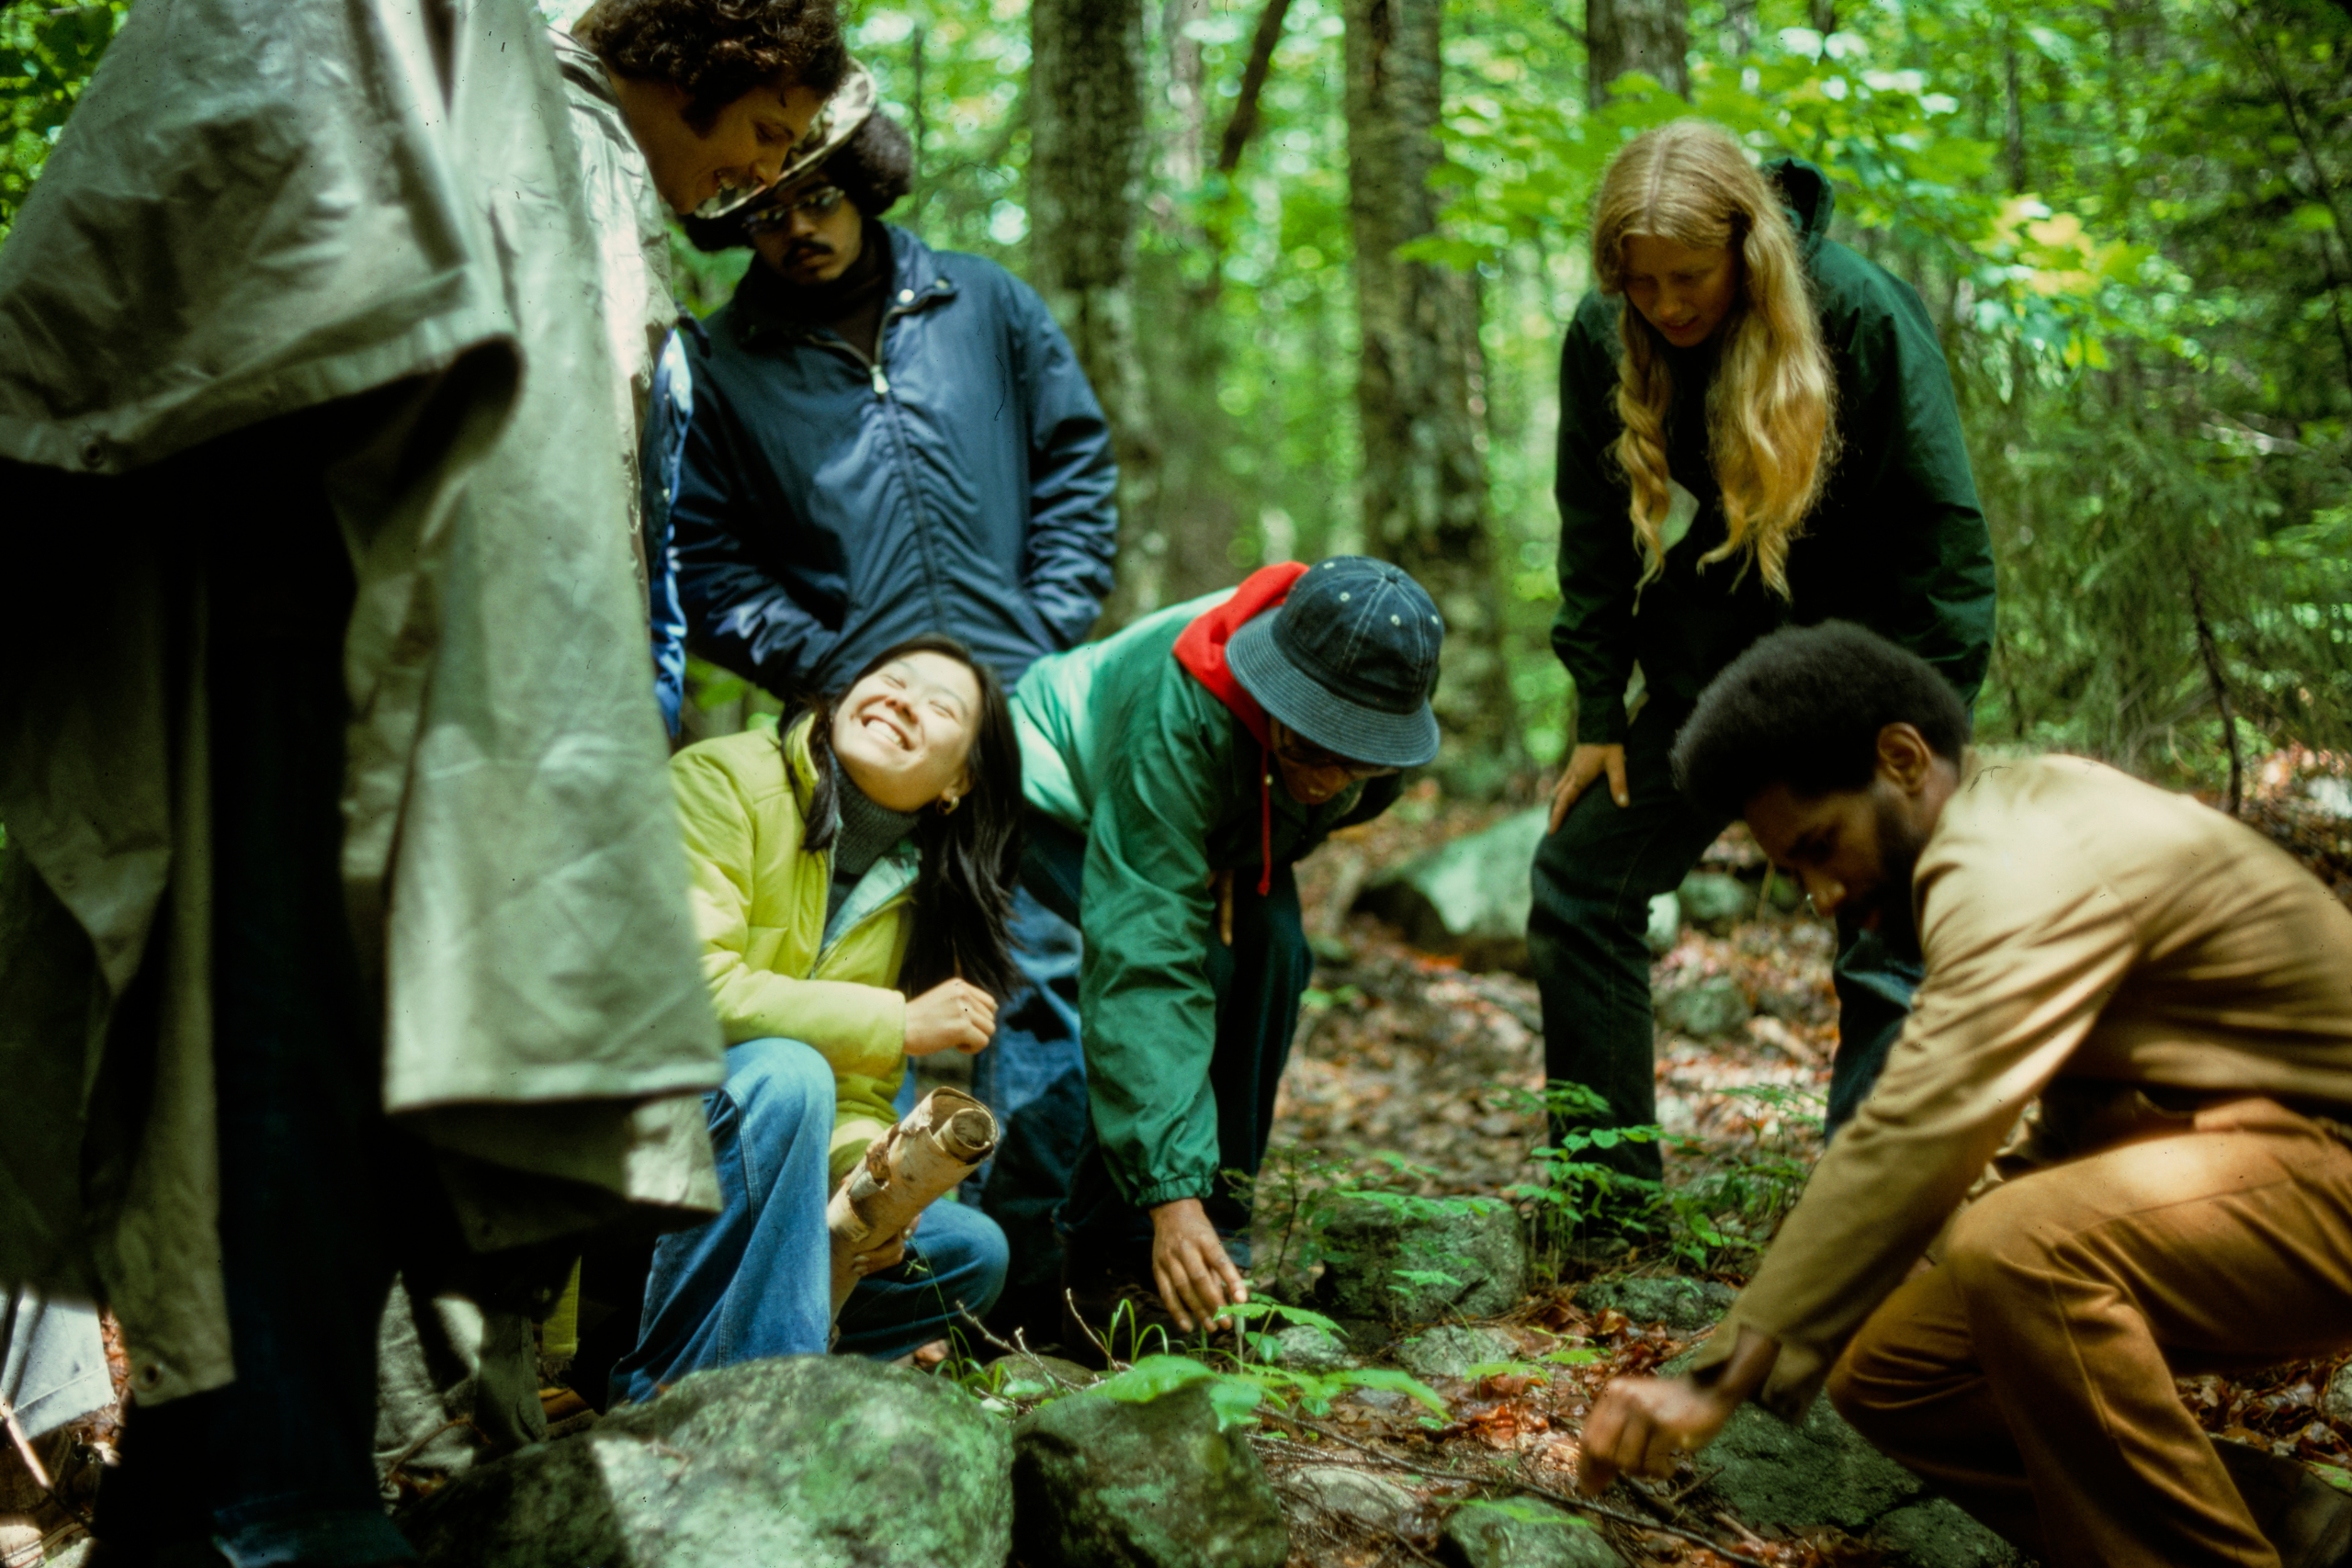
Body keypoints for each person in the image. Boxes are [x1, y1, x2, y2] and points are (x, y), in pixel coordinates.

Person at [0, 0, 842, 1560]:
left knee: (296, 1070)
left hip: (368, 646)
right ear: (687, 66)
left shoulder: (536, 112)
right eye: (761, 134)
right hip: (319, 642)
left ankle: (225, 1489)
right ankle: (274, 1493)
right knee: (290, 1054)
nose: (747, 180)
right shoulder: (522, 106)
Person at [1577, 622, 2352, 1567]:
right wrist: (1902, 1259)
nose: (1820, 895)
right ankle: (2292, 1528)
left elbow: (1923, 1113)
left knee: (2021, 1247)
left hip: (2328, 1169)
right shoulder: (2022, 826)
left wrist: (1718, 1370)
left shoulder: (2008, 850)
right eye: (1793, 874)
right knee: (1894, 1365)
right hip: (2280, 1169)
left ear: (1902, 759)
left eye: (1822, 846)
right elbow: (2079, 1129)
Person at [657, 99, 1118, 1333]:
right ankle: (880, 1268)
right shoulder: (724, 361)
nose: (795, 227)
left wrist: (1044, 620)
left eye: (815, 197)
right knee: (873, 980)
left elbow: (1078, 461)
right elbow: (700, 556)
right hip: (860, 743)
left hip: (1012, 715)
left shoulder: (986, 303)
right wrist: (830, 663)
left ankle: (1027, 1287)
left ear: (862, 183)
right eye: (763, 210)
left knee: (1042, 986)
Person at [1531, 120, 1997, 1200]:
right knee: (1578, 876)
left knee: (1885, 918)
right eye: (1639, 283)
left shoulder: (1859, 315)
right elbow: (1591, 529)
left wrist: (1923, 742)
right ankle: (1603, 1208)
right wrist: (1600, 707)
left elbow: (1943, 540)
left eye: (1687, 277)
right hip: (1723, 656)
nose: (1666, 305)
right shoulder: (1607, 332)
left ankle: (1863, 1219)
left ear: (1747, 251)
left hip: (1871, 663)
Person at [1012, 557, 1443, 1344]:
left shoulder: (1381, 711)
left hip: (1237, 800)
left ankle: (1219, 1245)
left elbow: (1318, 801)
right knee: (1192, 970)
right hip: (1052, 781)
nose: (1332, 774)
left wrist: (1243, 823)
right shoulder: (1176, 713)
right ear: (1277, 688)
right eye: (1315, 741)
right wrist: (1170, 1192)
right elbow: (1142, 959)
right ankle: (1112, 1256)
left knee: (1277, 951)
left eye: (1358, 754)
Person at [612, 637, 1023, 1402]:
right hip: (637, 1133)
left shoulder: (908, 885)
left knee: (968, 1249)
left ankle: (754, 1364)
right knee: (788, 1073)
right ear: (842, 695)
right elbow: (684, 991)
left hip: (762, 1162)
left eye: (938, 706)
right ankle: (708, 1399)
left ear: (959, 781)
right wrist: (897, 1021)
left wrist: (875, 1188)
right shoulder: (723, 778)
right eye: (891, 680)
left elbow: (859, 1093)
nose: (902, 699)